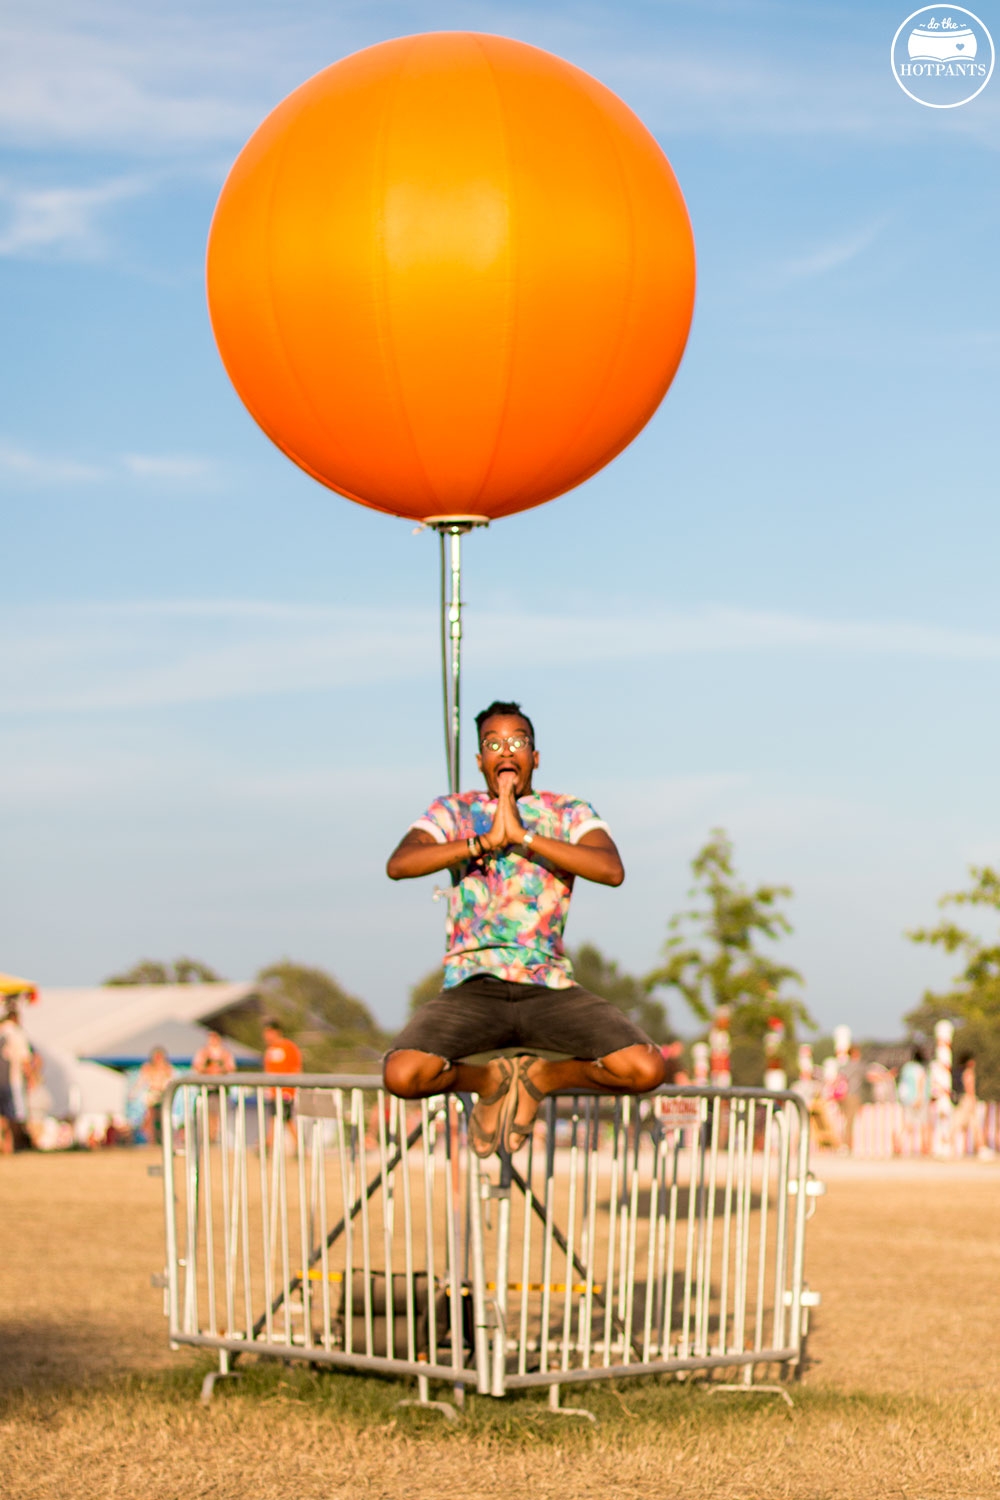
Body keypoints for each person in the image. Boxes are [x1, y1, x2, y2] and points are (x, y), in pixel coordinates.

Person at [382, 700, 665, 1157]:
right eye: (493, 744)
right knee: (403, 1074)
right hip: (474, 984)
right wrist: (480, 842)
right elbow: (400, 864)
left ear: (535, 756)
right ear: (480, 761)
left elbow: (611, 869)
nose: (506, 752)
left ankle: (541, 1078)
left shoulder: (567, 811)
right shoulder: (455, 811)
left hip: (545, 983)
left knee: (644, 1069)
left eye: (518, 742)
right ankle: (488, 1081)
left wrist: (524, 838)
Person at [262, 1018, 302, 1147]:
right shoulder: (269, 1050)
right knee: (273, 1118)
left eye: (269, 1032)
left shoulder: (288, 1047)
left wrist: (290, 1089)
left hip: (286, 1092)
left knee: (287, 1119)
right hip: (273, 1092)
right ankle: (269, 1144)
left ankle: (298, 1146)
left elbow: (296, 1068)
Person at [192, 1031, 236, 1141]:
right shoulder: (203, 1052)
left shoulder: (225, 1053)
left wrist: (219, 1069)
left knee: (219, 1117)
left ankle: (214, 1138)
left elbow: (231, 1069)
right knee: (206, 1117)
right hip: (207, 1090)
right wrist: (209, 1069)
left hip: (220, 1091)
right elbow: (197, 1068)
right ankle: (209, 1139)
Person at [951, 1051, 992, 1160]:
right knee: (969, 1124)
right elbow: (970, 1088)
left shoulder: (960, 1072)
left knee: (961, 1124)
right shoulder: (968, 1073)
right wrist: (973, 1101)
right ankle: (981, 1148)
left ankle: (980, 1147)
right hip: (968, 1100)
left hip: (963, 1100)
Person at [895, 1045, 929, 1156]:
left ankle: (899, 1146)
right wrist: (919, 1097)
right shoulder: (920, 1069)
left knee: (907, 1124)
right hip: (919, 1099)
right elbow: (921, 1082)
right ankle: (925, 1148)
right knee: (924, 1124)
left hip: (907, 1099)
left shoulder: (906, 1068)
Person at [137, 1046, 174, 1145]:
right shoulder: (148, 1068)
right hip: (152, 1094)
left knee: (162, 1117)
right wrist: (135, 1092)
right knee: (151, 1117)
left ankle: (162, 1139)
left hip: (162, 1094)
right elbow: (141, 1081)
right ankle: (152, 1140)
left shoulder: (167, 1068)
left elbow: (169, 1081)